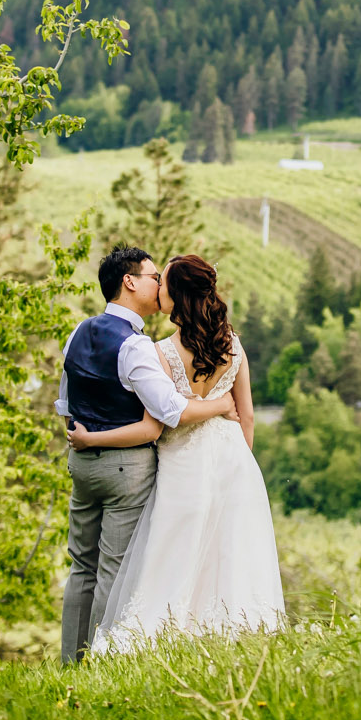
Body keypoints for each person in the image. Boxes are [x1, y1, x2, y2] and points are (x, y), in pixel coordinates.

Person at [67, 254, 285, 652]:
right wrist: (243, 465)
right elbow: (247, 415)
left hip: (181, 464)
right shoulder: (233, 345)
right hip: (233, 461)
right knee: (229, 557)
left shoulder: (161, 351)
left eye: (163, 282)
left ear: (178, 295)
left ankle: (148, 640)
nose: (158, 288)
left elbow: (161, 423)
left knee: (170, 555)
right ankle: (227, 640)